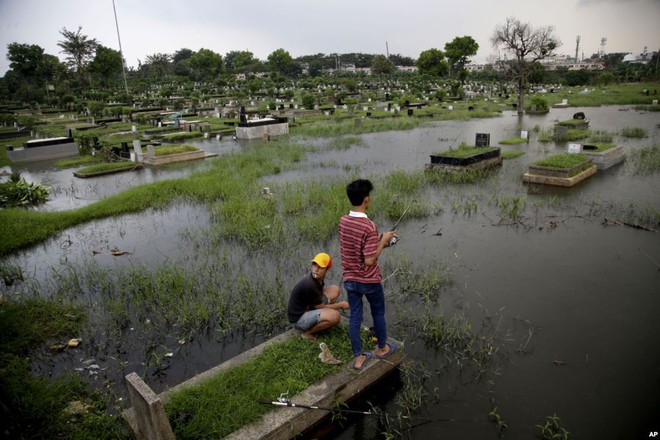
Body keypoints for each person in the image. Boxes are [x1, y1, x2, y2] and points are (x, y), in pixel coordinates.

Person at [338, 179, 399, 370]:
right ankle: (382, 349)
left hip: (350, 280)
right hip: (369, 281)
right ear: (366, 199)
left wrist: (379, 240)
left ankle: (358, 358)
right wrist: (385, 240)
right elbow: (369, 260)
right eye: (369, 196)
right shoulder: (369, 226)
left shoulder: (343, 221)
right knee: (378, 313)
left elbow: (357, 246)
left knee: (355, 317)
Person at [287, 252, 349, 341]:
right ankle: (307, 333)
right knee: (336, 316)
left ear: (327, 269)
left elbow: (318, 298)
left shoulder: (317, 279)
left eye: (320, 267)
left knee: (335, 289)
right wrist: (341, 305)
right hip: (298, 320)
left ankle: (324, 318)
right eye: (314, 265)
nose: (316, 269)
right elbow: (321, 307)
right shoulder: (310, 284)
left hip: (308, 307)